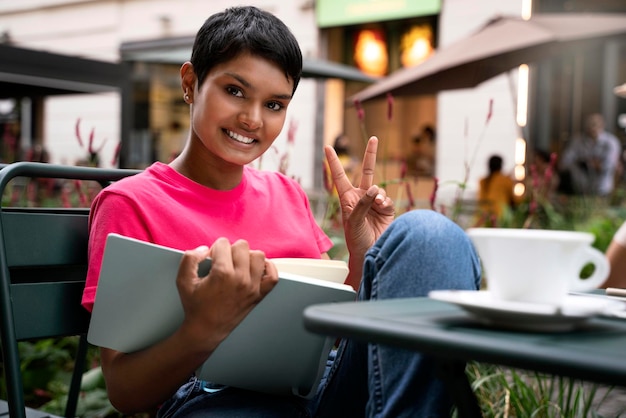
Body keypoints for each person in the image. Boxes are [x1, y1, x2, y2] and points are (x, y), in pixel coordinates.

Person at [81, 6, 480, 417]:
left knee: (431, 235)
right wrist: (204, 328)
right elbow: (124, 392)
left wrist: (365, 254)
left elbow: (336, 334)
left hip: (320, 391)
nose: (252, 119)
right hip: (216, 402)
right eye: (235, 91)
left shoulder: (287, 193)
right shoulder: (131, 204)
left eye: (274, 104)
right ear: (190, 83)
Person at [559, 113, 621, 196]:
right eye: (590, 124)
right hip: (579, 189)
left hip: (602, 190)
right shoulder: (577, 141)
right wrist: (583, 163)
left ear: (602, 125)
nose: (593, 127)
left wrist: (589, 163)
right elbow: (564, 162)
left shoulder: (611, 142)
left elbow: (608, 165)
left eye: (595, 124)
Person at [476, 154, 518, 223]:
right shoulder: (506, 180)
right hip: (500, 218)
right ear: (501, 166)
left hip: (482, 217)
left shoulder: (482, 181)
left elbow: (481, 200)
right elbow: (515, 200)